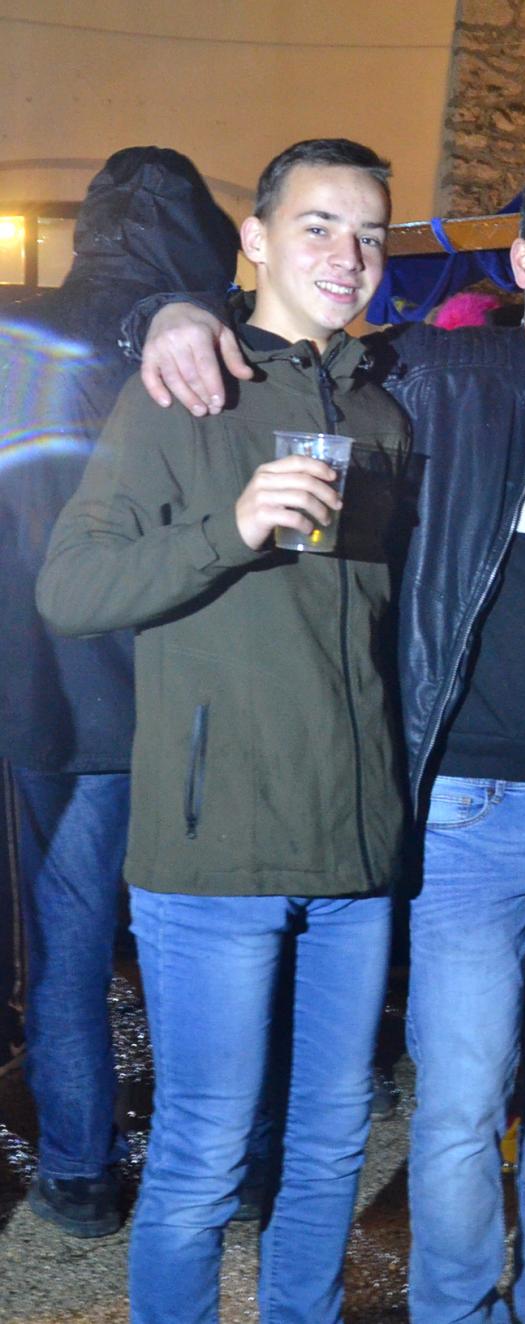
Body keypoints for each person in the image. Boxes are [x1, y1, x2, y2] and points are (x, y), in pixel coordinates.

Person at [135, 155, 525, 1322]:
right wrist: (171, 310)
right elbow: (296, 337)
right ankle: (456, 1309)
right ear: (521, 263)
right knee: (462, 1102)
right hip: (469, 802)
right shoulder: (438, 375)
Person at [38, 137, 409, 1322]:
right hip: (213, 850)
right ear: (252, 241)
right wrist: (229, 527)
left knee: (330, 1143)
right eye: (318, 226)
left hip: (353, 847)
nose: (347, 254)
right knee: (202, 1151)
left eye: (369, 233)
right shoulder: (184, 389)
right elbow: (71, 588)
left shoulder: (380, 409)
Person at [0, 147, 238, 1239]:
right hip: (191, 696)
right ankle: (225, 1164)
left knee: (68, 951)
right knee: (210, 947)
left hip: (51, 700)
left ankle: (79, 1172)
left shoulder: (17, 339)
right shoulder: (210, 350)